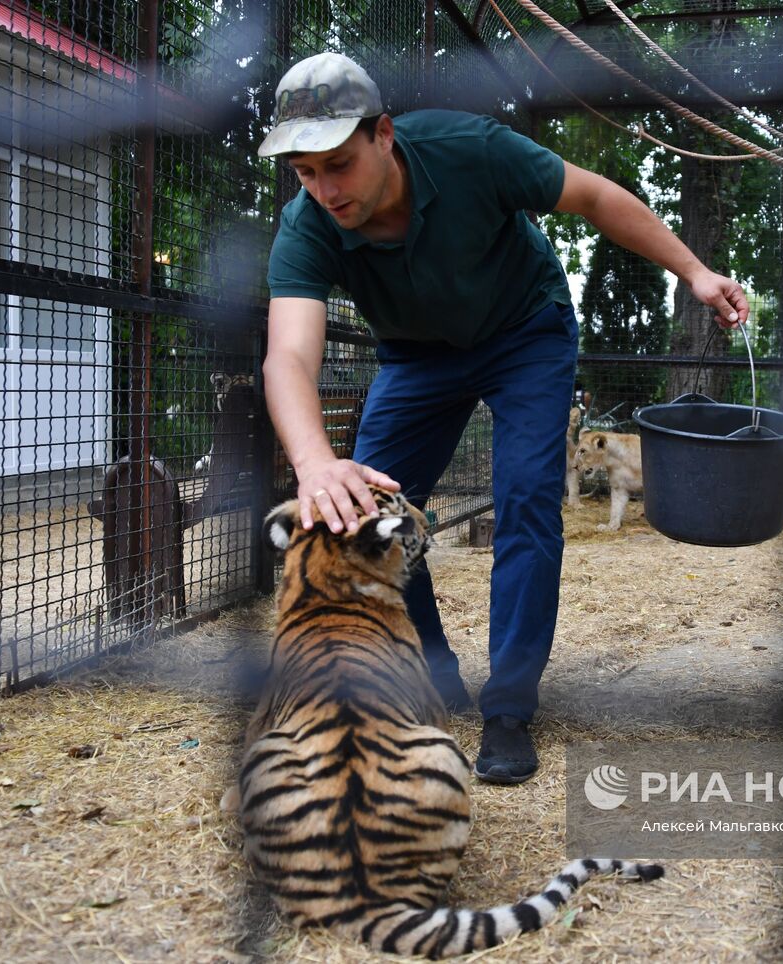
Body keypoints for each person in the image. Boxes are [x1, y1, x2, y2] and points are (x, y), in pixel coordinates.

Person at [259, 52, 748, 784]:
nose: (325, 190)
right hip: (418, 358)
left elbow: (595, 197)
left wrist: (695, 271)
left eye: (338, 164)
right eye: (305, 172)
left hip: (526, 332)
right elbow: (287, 358)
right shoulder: (307, 226)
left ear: (384, 135)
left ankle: (510, 709)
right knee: (372, 516)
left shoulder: (470, 150)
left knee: (525, 498)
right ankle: (431, 678)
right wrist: (316, 464)